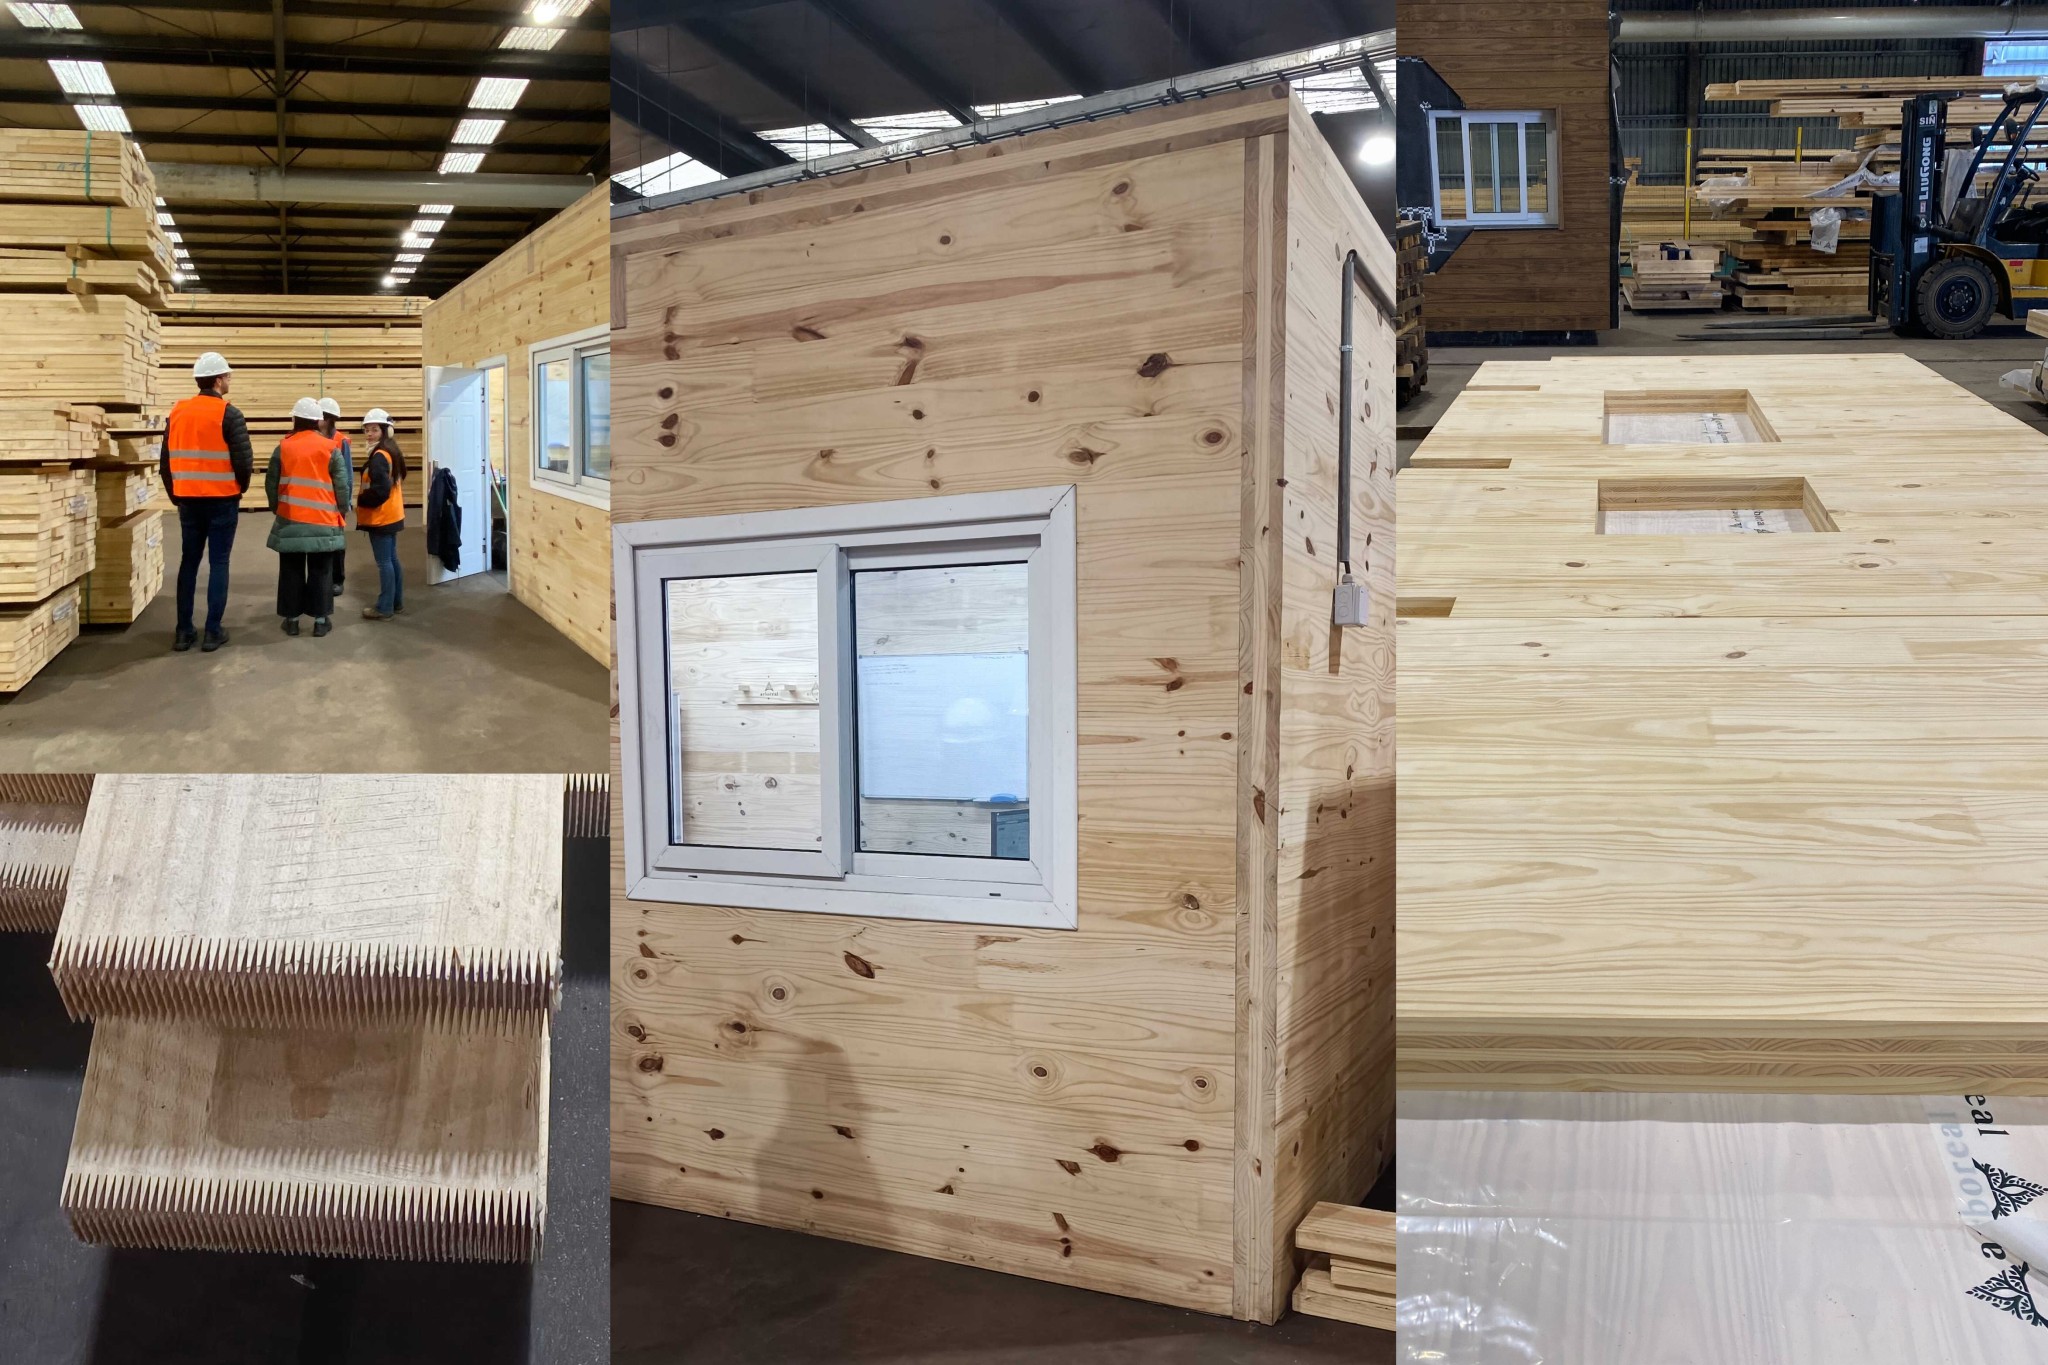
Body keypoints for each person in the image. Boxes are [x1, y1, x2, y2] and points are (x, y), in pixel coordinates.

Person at [161, 351, 253, 652]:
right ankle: (213, 631)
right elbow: (243, 460)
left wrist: (176, 494)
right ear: (217, 380)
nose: (229, 381)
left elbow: (165, 462)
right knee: (219, 562)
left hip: (188, 499)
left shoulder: (177, 412)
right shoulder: (229, 414)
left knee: (189, 562)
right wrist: (239, 488)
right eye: (227, 376)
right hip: (222, 499)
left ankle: (183, 631)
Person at [264, 397, 351, 637]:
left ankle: (291, 620)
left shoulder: (283, 447)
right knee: (322, 571)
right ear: (317, 421)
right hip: (323, 520)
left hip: (290, 518)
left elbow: (271, 482)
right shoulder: (330, 447)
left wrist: (277, 507)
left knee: (290, 570)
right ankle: (321, 621)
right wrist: (341, 509)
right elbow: (341, 484)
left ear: (295, 419)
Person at [354, 407, 407, 620]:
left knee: (384, 562)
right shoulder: (390, 451)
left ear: (386, 431)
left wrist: (361, 500)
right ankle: (396, 603)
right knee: (392, 560)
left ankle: (385, 608)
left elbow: (381, 491)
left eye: (374, 430)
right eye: (367, 430)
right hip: (392, 515)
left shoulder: (379, 457)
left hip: (381, 517)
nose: (369, 434)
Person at [318, 397, 350, 593]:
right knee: (321, 541)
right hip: (318, 499)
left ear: (329, 419)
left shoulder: (341, 441)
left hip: (335, 499)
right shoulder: (312, 438)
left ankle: (337, 580)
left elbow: (346, 474)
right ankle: (324, 578)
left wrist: (344, 503)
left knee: (337, 541)